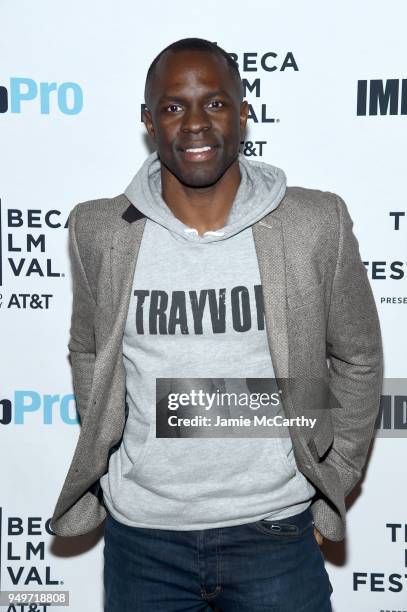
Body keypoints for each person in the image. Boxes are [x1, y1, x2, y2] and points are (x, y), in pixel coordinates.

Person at [50, 37, 384, 611]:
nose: (196, 123)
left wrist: (338, 470)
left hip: (275, 533)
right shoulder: (98, 229)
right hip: (143, 541)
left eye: (215, 103)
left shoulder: (313, 221)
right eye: (174, 107)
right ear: (148, 122)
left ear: (244, 112)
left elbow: (357, 357)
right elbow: (88, 351)